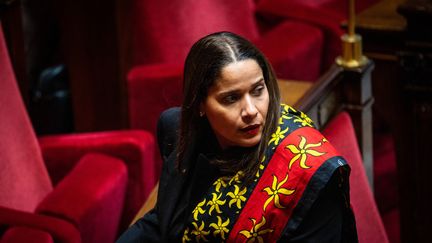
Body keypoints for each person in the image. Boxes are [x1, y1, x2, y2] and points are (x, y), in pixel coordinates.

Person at [117, 31, 358, 242]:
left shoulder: (309, 174)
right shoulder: (177, 131)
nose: (251, 111)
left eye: (258, 90)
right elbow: (163, 220)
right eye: (231, 98)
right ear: (200, 104)